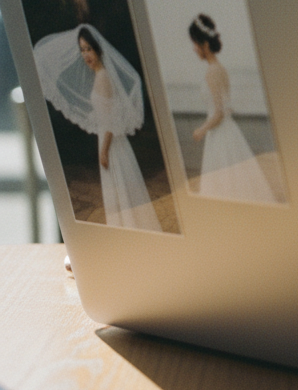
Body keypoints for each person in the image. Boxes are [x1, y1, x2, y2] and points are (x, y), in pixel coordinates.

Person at [34, 25, 161, 231]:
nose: (86, 55)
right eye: (82, 50)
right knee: (119, 191)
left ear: (99, 50)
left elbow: (111, 120)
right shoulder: (100, 76)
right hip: (110, 141)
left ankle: (129, 229)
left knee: (120, 189)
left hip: (112, 145)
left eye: (89, 49)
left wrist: (104, 150)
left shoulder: (103, 78)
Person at [189, 14, 276, 204]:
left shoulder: (212, 72)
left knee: (223, 184)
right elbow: (226, 108)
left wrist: (201, 130)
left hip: (219, 134)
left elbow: (218, 113)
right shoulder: (221, 69)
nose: (194, 48)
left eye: (195, 43)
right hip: (228, 131)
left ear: (204, 44)